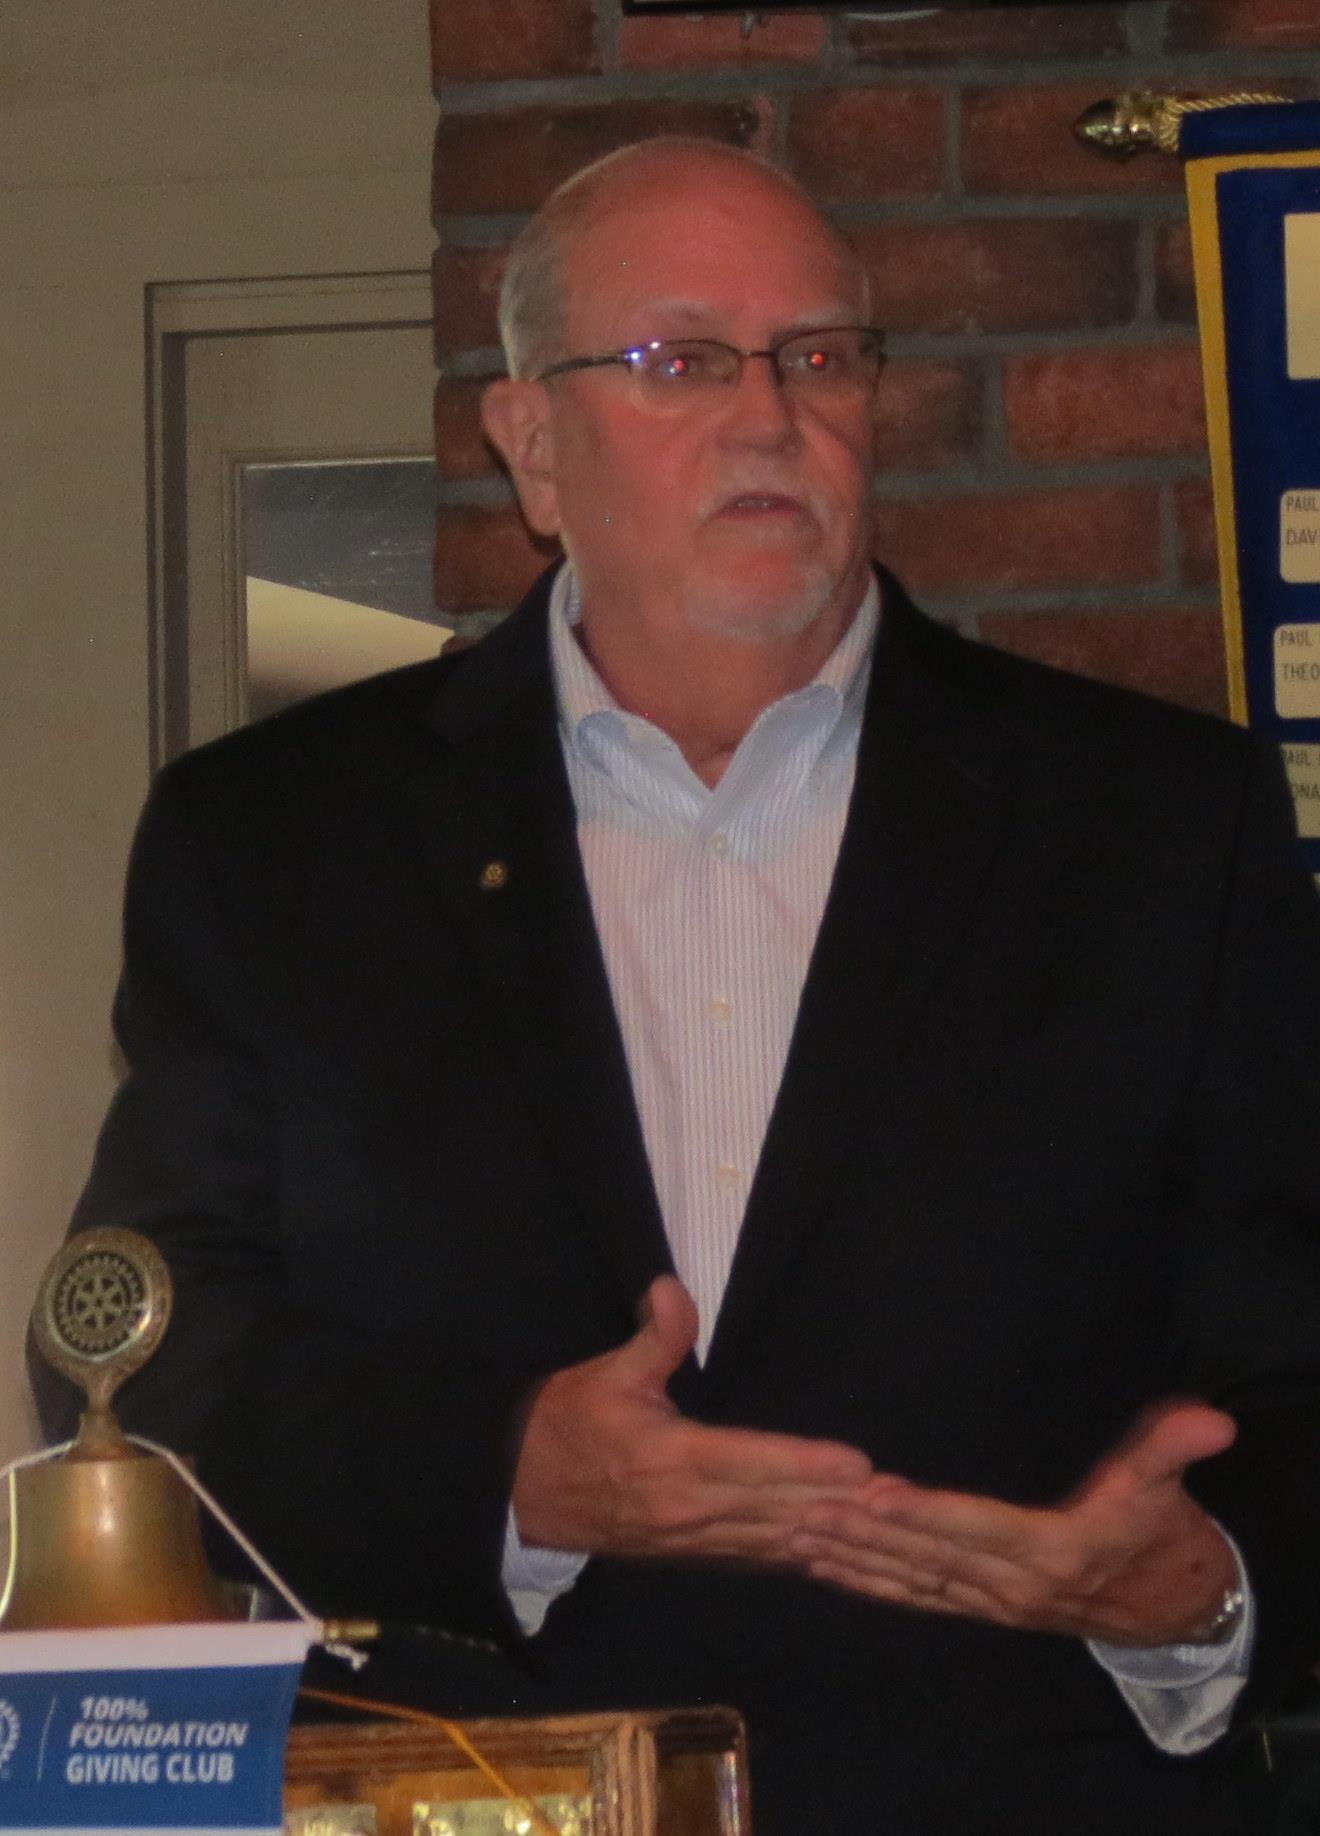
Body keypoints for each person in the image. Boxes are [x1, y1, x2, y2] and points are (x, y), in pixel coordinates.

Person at [37, 138, 1320, 1833]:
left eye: (821, 357)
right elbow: (141, 1355)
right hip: (480, 1793)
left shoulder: (1156, 822)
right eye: (680, 360)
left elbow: (1293, 1352)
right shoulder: (279, 840)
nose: (770, 416)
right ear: (530, 446)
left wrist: (1207, 1589)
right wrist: (507, 1472)